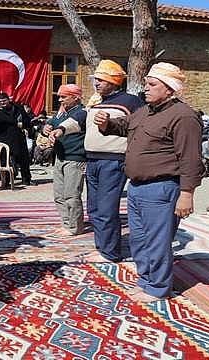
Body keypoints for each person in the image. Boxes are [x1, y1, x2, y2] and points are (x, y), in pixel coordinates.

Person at [94, 62, 203, 303]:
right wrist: (106, 123)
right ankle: (146, 280)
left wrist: (187, 193)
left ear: (170, 89)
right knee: (139, 239)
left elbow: (191, 159)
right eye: (146, 84)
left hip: (162, 188)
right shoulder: (145, 111)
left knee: (158, 241)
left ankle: (159, 288)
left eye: (152, 84)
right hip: (136, 187)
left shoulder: (184, 117)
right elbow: (125, 126)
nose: (146, 89)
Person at [81, 60, 144, 264]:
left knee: (107, 208)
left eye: (101, 80)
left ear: (113, 81)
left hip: (113, 161)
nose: (96, 83)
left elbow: (140, 128)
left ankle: (110, 253)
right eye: (95, 80)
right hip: (92, 160)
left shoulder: (131, 102)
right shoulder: (96, 102)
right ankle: (102, 246)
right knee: (93, 208)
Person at [45, 84, 87, 236]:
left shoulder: (82, 113)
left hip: (75, 158)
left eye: (64, 97)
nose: (60, 99)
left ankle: (75, 227)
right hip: (60, 157)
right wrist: (47, 127)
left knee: (71, 195)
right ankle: (66, 223)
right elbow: (52, 126)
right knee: (59, 195)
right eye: (59, 96)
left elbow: (67, 127)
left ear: (75, 98)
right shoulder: (61, 113)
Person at [0, 92, 33, 186]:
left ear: (9, 100)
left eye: (4, 101)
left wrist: (23, 124)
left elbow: (27, 121)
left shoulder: (18, 108)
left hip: (18, 137)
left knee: (24, 159)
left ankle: (26, 179)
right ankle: (6, 181)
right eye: (0, 102)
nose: (2, 103)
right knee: (5, 160)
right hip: (4, 138)